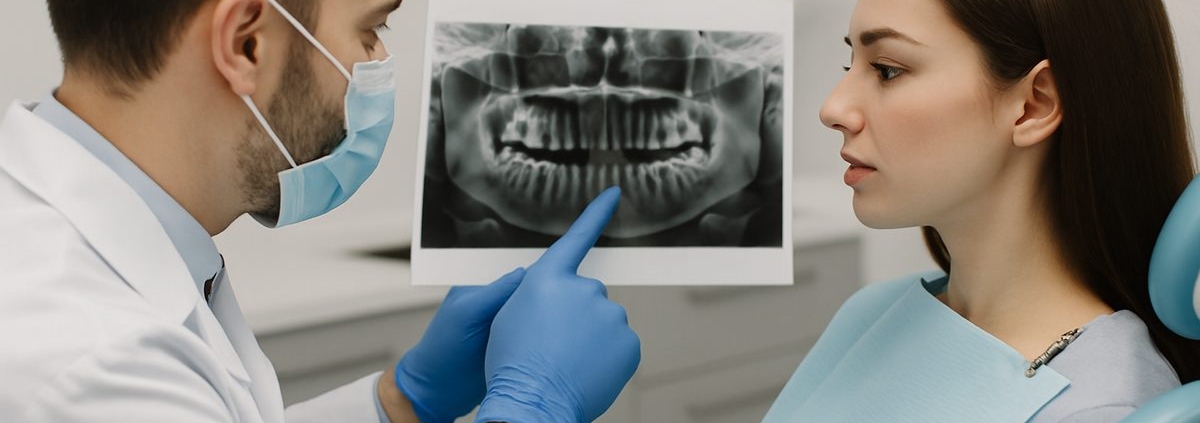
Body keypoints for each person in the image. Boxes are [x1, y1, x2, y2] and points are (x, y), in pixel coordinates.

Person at [0, 1, 640, 422]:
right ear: (246, 42)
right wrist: (531, 408)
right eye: (371, 30)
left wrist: (398, 401)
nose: (378, 63)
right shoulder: (91, 362)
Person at [760, 0, 1200, 422]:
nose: (832, 109)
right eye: (849, 64)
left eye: (887, 70)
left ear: (1033, 106)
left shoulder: (1099, 407)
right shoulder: (873, 310)